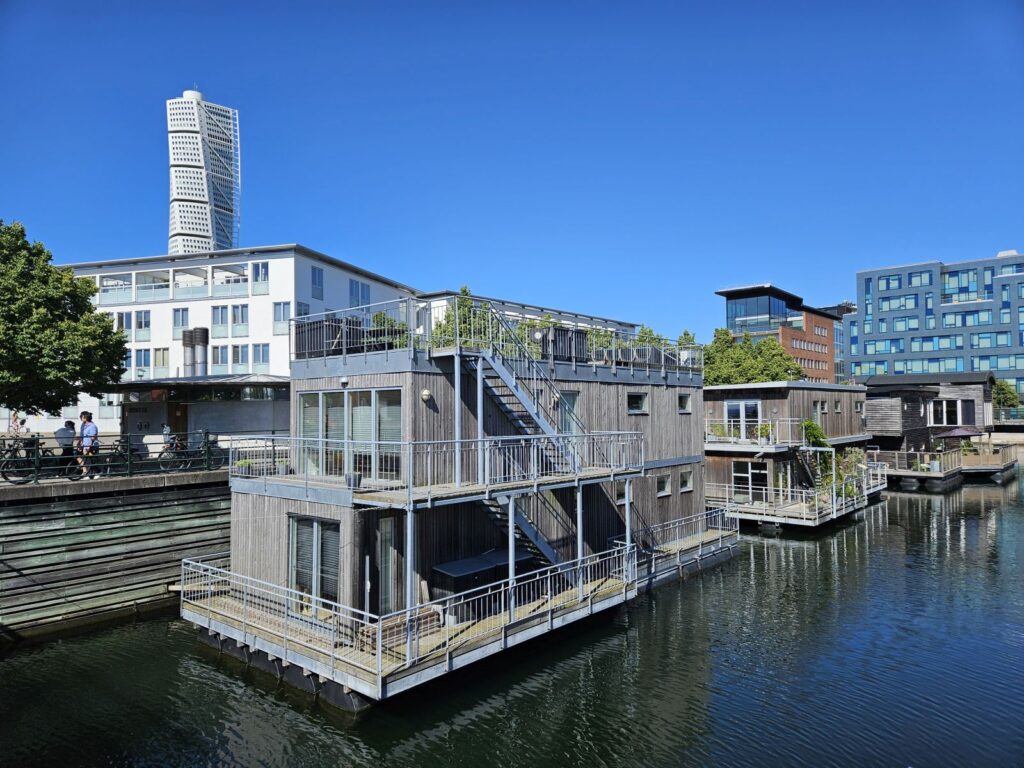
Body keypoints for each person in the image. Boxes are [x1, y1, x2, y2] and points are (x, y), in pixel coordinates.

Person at [77, 411, 100, 478]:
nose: (80, 418)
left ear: (85, 418)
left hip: (91, 446)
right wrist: (80, 443)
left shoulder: (92, 426)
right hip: (85, 445)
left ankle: (93, 474)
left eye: (81, 417)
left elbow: (93, 437)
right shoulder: (84, 425)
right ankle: (89, 473)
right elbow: (83, 435)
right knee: (84, 459)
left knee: (89, 460)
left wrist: (89, 446)